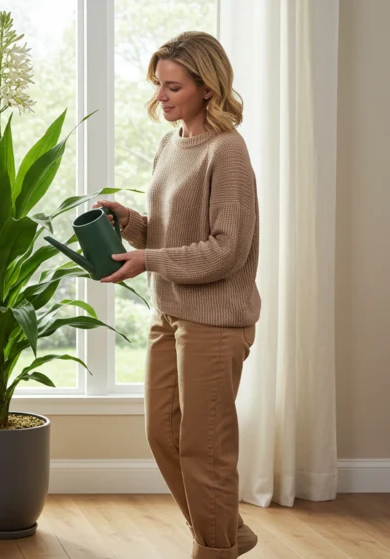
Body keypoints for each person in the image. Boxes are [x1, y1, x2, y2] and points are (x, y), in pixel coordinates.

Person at [93, 31, 261, 559]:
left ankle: (214, 549)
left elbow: (226, 250)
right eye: (158, 85)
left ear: (207, 89)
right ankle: (227, 533)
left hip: (214, 320)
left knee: (204, 448)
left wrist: (151, 260)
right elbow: (170, 232)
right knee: (163, 434)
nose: (161, 97)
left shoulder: (227, 150)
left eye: (173, 86)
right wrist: (132, 224)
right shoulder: (171, 144)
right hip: (169, 310)